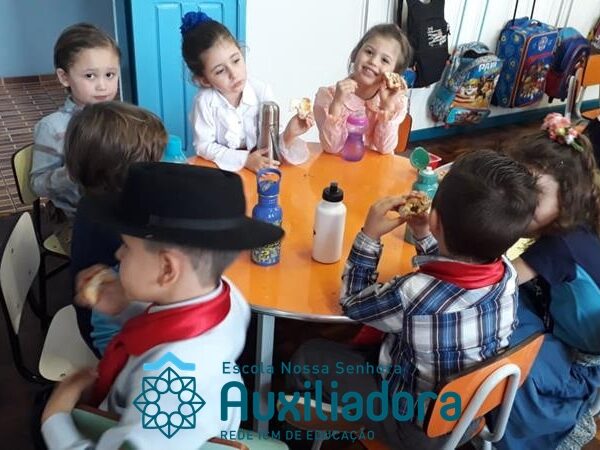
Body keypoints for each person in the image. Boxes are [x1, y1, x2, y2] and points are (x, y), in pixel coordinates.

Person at [287, 150, 538, 449]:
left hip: (413, 430)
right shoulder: (507, 273)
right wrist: (423, 234)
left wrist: (369, 235)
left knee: (308, 355)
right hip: (470, 413)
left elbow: (352, 302)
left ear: (435, 218)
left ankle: (311, 430)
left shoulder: (413, 294)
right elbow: (458, 267)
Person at [40, 162, 284, 449]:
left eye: (126, 247)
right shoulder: (228, 299)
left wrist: (54, 420)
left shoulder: (173, 384)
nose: (118, 254)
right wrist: (126, 306)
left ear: (167, 269)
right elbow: (163, 329)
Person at [496, 113, 600, 450]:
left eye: (534, 194)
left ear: (566, 200)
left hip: (579, 362)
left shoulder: (557, 247)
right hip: (564, 326)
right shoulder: (576, 224)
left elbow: (492, 283)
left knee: (490, 343)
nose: (519, 202)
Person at [64, 101, 168, 356]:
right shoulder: (119, 223)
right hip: (113, 337)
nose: (160, 166)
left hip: (113, 315)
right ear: (127, 172)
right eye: (154, 161)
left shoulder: (97, 200)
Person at [181, 11, 314, 172]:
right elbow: (204, 145)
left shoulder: (261, 91)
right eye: (220, 71)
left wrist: (289, 134)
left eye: (236, 60)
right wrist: (245, 160)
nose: (233, 74)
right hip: (222, 170)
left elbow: (272, 144)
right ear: (205, 80)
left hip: (259, 169)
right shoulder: (204, 102)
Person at [30, 23, 121, 222]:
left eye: (110, 75)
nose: (102, 86)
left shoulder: (123, 118)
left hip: (117, 211)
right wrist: (73, 172)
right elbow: (37, 185)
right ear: (64, 77)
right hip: (75, 219)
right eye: (90, 76)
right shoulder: (52, 128)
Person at [314, 23, 412, 155]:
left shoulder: (395, 103)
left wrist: (387, 107)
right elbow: (332, 147)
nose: (373, 61)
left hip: (377, 167)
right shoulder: (330, 96)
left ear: (395, 73)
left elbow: (385, 148)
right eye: (369, 52)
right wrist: (336, 104)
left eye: (384, 60)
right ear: (356, 54)